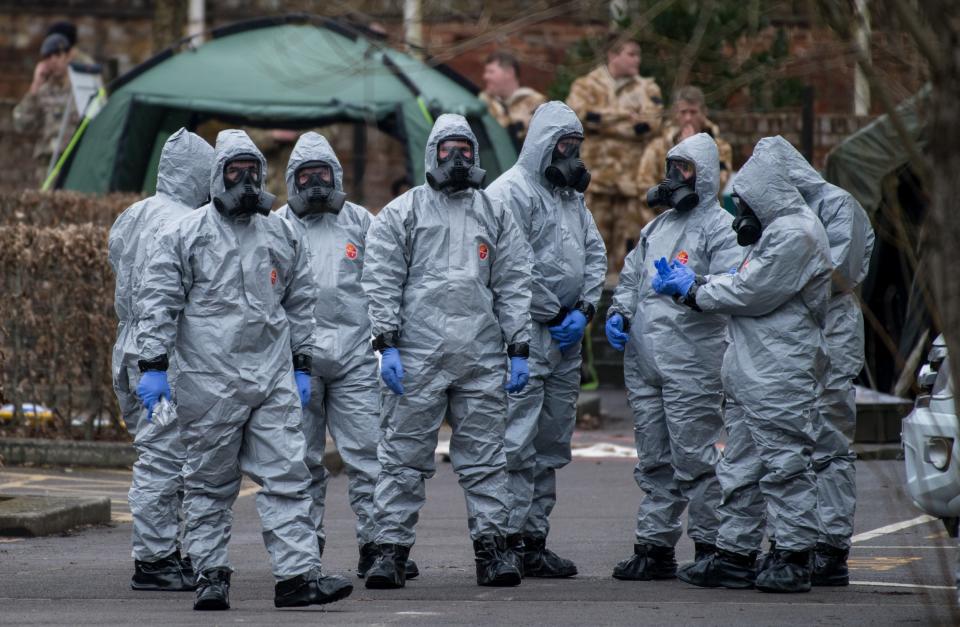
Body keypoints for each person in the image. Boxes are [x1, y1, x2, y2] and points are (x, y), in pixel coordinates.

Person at [134, 129, 352, 611]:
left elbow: (300, 300)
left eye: (252, 171)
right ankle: (211, 574)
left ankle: (297, 577)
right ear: (217, 177)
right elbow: (159, 304)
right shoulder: (185, 235)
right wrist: (152, 364)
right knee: (210, 484)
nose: (246, 182)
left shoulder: (280, 231)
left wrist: (301, 362)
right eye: (235, 172)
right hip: (208, 382)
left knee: (288, 477)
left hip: (271, 379)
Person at [360, 114, 533, 589]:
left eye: (463, 148)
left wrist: (519, 346)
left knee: (486, 461)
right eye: (446, 150)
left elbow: (514, 282)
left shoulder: (494, 213)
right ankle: (389, 554)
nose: (455, 159)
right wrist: (386, 343)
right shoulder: (403, 212)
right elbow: (381, 280)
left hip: (479, 356)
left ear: (475, 154)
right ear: (431, 153)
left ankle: (494, 553)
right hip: (417, 357)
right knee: (401, 460)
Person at [652, 141, 832, 593]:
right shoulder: (780, 231)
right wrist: (700, 281)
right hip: (755, 370)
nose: (741, 212)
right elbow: (743, 281)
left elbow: (751, 291)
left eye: (746, 202)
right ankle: (735, 554)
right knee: (743, 467)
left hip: (779, 370)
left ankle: (794, 555)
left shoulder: (796, 233)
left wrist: (694, 290)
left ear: (766, 196)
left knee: (784, 466)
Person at [276, 131, 419, 580]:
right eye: (306, 176)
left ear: (336, 175)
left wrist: (386, 341)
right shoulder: (277, 225)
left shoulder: (361, 222)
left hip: (356, 356)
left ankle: (377, 547)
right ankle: (303, 553)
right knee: (300, 463)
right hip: (296, 360)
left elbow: (382, 283)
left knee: (370, 455)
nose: (316, 184)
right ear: (291, 180)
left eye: (323, 174)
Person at [604, 133, 740, 581]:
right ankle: (655, 546)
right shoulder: (655, 228)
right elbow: (630, 279)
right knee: (654, 459)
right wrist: (620, 313)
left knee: (695, 457)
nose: (674, 178)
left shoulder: (722, 227)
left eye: (684, 170)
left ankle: (711, 544)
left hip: (692, 361)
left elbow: (732, 289)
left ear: (704, 175)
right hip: (646, 362)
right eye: (672, 168)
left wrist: (692, 287)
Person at [485, 101, 606, 577]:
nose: (573, 156)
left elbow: (594, 253)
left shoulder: (570, 199)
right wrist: (553, 310)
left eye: (577, 147)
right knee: (516, 440)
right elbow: (510, 267)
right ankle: (507, 538)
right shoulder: (509, 193)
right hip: (523, 335)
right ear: (542, 145)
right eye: (564, 146)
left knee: (552, 440)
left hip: (566, 337)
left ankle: (533, 539)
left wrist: (586, 309)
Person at [755, 136, 875, 587]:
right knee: (793, 436)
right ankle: (797, 540)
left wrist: (777, 286)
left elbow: (838, 272)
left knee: (829, 437)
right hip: (798, 330)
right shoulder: (783, 214)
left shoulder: (838, 205)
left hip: (833, 327)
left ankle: (831, 544)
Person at [109, 128, 213, 592]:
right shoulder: (189, 222)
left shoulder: (133, 215)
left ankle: (162, 553)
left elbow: (120, 269)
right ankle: (154, 561)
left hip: (131, 345)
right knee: (165, 457)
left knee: (158, 452)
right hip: (164, 353)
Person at [566, 35, 663, 272]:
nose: (637, 60)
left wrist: (599, 121)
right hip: (596, 183)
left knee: (628, 254)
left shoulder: (647, 88)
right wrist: (623, 116)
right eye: (631, 54)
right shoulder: (586, 85)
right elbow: (577, 116)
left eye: (638, 55)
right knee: (589, 247)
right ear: (613, 55)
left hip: (630, 186)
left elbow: (650, 124)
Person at [637, 86, 733, 212]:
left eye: (693, 112)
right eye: (683, 112)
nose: (688, 118)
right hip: (669, 216)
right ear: (676, 114)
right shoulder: (658, 147)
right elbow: (644, 187)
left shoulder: (720, 147)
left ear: (704, 113)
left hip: (706, 217)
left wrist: (693, 152)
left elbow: (719, 184)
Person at [12, 32, 79, 186]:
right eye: (48, 56)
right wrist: (35, 86)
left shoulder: (80, 90)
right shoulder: (42, 92)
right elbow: (21, 124)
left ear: (68, 56)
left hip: (75, 164)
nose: (53, 60)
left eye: (57, 54)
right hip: (48, 167)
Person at [479, 51, 548, 149]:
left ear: (509, 73)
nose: (485, 77)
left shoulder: (535, 103)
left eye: (491, 72)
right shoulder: (483, 104)